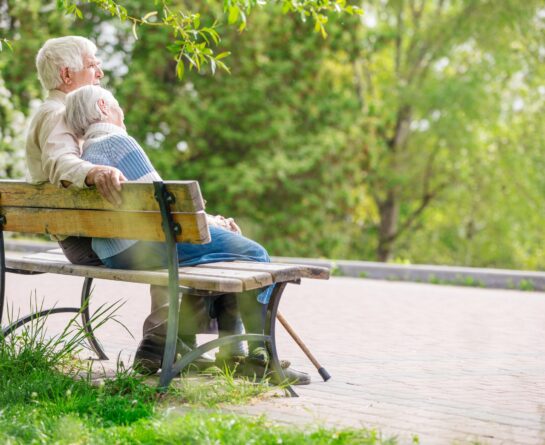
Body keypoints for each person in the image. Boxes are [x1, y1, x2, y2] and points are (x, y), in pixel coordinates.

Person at [64, 85, 310, 383]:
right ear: (103, 106)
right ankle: (261, 358)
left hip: (113, 253)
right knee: (255, 255)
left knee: (223, 261)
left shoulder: (87, 155)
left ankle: (233, 352)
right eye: (118, 107)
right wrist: (216, 223)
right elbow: (166, 207)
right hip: (146, 245)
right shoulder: (118, 143)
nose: (122, 113)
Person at [24, 36, 228, 376]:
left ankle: (165, 344)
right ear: (66, 74)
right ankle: (168, 345)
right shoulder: (61, 113)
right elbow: (60, 162)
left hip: (87, 232)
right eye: (93, 65)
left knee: (164, 233)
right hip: (89, 240)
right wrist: (94, 172)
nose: (101, 73)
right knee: (180, 238)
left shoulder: (53, 112)